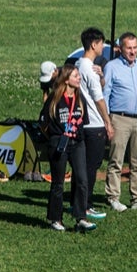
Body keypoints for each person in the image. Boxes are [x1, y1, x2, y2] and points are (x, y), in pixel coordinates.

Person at [101, 32, 137, 212]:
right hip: (119, 118)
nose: (133, 52)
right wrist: (107, 121)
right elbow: (105, 94)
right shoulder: (112, 67)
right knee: (116, 160)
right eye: (129, 48)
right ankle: (113, 197)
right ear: (120, 49)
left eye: (135, 48)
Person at [73, 27, 114, 226]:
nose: (103, 47)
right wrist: (107, 121)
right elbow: (98, 98)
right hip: (95, 124)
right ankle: (86, 205)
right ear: (93, 44)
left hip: (83, 124)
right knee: (91, 167)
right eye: (101, 43)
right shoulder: (88, 67)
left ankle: (78, 202)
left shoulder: (79, 65)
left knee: (83, 166)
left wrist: (102, 77)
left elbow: (97, 87)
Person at [42, 62, 88, 231]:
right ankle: (55, 219)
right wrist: (55, 137)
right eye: (76, 76)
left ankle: (81, 217)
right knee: (58, 183)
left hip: (77, 143)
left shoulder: (80, 99)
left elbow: (84, 121)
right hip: (59, 144)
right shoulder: (55, 99)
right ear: (67, 79)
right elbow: (43, 123)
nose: (79, 78)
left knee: (82, 179)